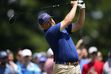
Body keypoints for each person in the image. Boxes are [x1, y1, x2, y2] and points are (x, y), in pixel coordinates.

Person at [37, 0, 85, 73]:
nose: (51, 21)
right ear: (42, 26)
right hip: (64, 68)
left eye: (50, 19)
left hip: (75, 67)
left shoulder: (62, 28)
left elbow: (79, 24)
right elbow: (68, 20)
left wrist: (82, 9)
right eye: (47, 21)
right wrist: (75, 5)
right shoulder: (50, 32)